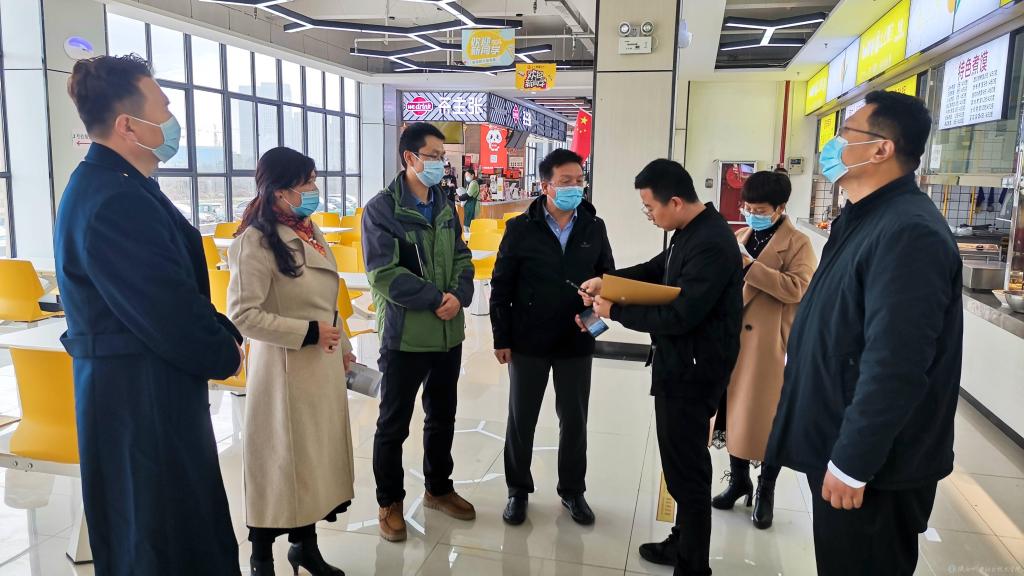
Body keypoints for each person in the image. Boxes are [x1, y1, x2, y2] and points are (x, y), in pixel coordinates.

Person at [55, 55, 243, 575]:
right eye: (163, 108)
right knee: (159, 538)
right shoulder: (114, 199)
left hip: (143, 391)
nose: (172, 120)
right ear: (128, 125)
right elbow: (168, 312)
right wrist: (225, 350)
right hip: (140, 403)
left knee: (164, 529)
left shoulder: (120, 184)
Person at [764, 91, 962, 575]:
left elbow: (896, 364)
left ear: (880, 150)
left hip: (876, 470)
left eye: (844, 135)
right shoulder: (863, 217)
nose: (831, 147)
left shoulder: (909, 232)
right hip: (839, 439)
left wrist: (853, 462)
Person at [581, 159, 742, 576]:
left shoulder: (711, 242)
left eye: (650, 207)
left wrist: (616, 311)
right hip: (680, 364)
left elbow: (680, 315)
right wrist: (608, 280)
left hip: (693, 371)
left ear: (675, 202)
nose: (649, 215)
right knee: (679, 464)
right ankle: (681, 543)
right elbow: (657, 271)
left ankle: (693, 565)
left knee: (687, 471)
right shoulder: (691, 231)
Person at [228, 147, 357, 576]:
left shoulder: (309, 230)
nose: (314, 190)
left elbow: (327, 302)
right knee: (278, 467)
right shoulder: (254, 241)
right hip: (283, 374)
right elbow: (243, 315)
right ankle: (261, 556)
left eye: (314, 180)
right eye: (307, 183)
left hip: (321, 366)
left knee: (312, 465)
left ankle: (305, 547)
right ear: (280, 191)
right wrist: (308, 333)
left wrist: (344, 344)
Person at [363, 122, 476, 543]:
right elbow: (383, 274)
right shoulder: (382, 209)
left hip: (448, 333)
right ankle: (389, 502)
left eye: (442, 157)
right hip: (405, 335)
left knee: (442, 416)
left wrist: (459, 296)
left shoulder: (444, 202)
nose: (440, 164)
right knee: (393, 423)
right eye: (433, 156)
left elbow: (462, 256)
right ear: (410, 158)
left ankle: (438, 489)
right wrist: (435, 298)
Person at [490, 149, 615, 526]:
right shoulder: (520, 228)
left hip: (576, 338)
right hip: (527, 339)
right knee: (521, 418)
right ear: (545, 186)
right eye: (565, 181)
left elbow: (608, 280)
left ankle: (573, 490)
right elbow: (501, 286)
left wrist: (593, 316)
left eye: (579, 180)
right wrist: (501, 337)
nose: (575, 187)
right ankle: (517, 490)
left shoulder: (594, 227)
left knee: (574, 419)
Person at [709, 171, 816, 530]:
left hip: (769, 345)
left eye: (759, 209)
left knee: (767, 419)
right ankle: (739, 480)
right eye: (747, 207)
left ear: (780, 208)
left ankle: (765, 489)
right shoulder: (741, 235)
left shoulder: (798, 244)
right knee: (732, 412)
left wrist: (751, 268)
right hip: (733, 339)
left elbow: (798, 289)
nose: (751, 214)